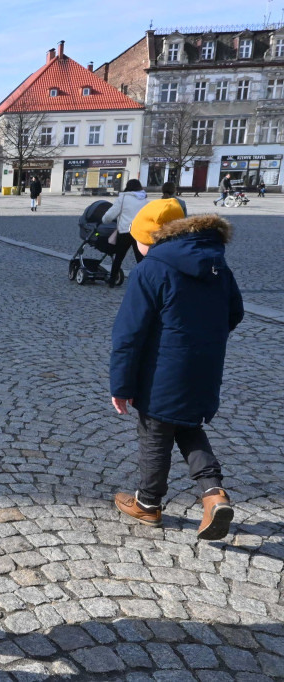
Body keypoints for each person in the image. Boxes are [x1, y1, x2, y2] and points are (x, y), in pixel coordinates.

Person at [110, 213, 244, 540]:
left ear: (152, 237)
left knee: (155, 429)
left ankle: (148, 503)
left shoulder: (150, 269)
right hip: (204, 366)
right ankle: (214, 493)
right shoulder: (218, 266)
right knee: (187, 426)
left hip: (161, 371)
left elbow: (129, 333)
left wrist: (121, 385)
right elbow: (235, 312)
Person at [101, 178, 147, 287]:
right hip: (139, 232)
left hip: (125, 231)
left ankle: (112, 280)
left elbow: (111, 214)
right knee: (140, 258)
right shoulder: (144, 199)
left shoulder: (123, 198)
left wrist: (104, 220)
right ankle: (144, 282)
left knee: (119, 257)